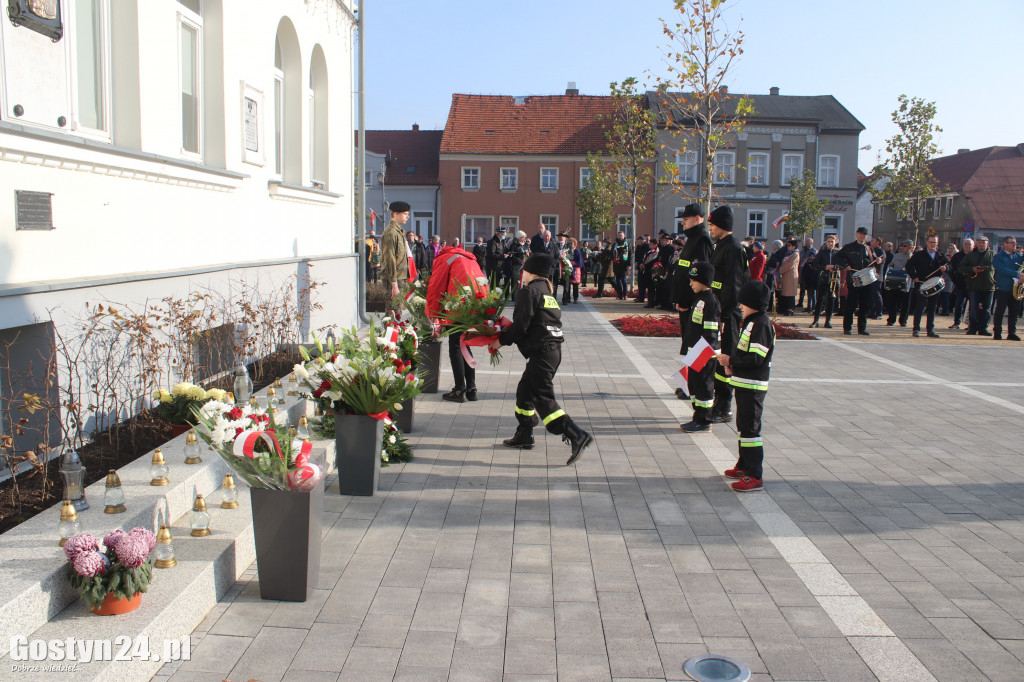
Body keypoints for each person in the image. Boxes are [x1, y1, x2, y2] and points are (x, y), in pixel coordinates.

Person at [490, 253, 593, 465]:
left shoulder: (529, 291)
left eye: (524, 270)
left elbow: (521, 326)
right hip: (551, 351)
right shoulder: (546, 291)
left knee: (542, 396)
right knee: (525, 392)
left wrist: (500, 340)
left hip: (543, 352)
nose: (521, 273)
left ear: (531, 271)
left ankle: (575, 433)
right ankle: (524, 435)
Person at [716, 280, 775, 493]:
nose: (740, 306)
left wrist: (731, 360)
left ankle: (754, 475)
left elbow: (755, 358)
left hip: (753, 386)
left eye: (744, 302)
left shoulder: (761, 324)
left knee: (750, 430)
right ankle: (743, 465)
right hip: (743, 383)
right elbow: (744, 354)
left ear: (754, 303)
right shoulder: (751, 321)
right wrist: (733, 364)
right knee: (743, 427)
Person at [425, 242, 487, 403]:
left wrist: (432, 314)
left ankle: (459, 390)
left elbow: (436, 287)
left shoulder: (445, 258)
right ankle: (472, 389)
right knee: (465, 344)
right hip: (475, 303)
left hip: (457, 303)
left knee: (455, 346)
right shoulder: (469, 258)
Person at [707, 205, 749, 423]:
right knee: (716, 358)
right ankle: (716, 400)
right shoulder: (720, 245)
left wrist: (724, 316)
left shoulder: (732, 248)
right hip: (718, 310)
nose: (710, 228)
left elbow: (733, 284)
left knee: (725, 359)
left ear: (722, 225)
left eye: (712, 224)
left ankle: (724, 407)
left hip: (727, 313)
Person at [679, 262, 720, 433]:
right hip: (695, 352)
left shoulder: (710, 301)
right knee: (694, 386)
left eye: (694, 280)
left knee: (704, 386)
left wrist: (700, 355)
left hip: (705, 354)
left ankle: (704, 420)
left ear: (704, 281)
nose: (691, 284)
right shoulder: (699, 299)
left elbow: (710, 333)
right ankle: (697, 416)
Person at [671, 204, 713, 362]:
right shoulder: (692, 239)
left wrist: (686, 300)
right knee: (689, 341)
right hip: (685, 300)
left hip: (692, 301)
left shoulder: (701, 239)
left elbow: (699, 274)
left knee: (694, 342)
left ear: (697, 219)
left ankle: (693, 382)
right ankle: (689, 382)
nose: (683, 223)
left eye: (685, 219)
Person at [837, 227, 882, 336]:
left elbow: (874, 261)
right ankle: (847, 328)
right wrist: (845, 265)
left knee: (864, 305)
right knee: (851, 304)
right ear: (857, 234)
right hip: (853, 278)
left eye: (865, 234)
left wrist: (878, 261)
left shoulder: (869, 248)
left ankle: (862, 328)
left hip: (867, 280)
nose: (863, 236)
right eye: (861, 234)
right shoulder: (849, 247)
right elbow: (837, 257)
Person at [905, 235, 948, 338]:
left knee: (932, 308)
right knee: (919, 307)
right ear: (927, 242)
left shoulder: (941, 255)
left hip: (935, 284)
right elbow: (909, 265)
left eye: (935, 242)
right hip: (922, 283)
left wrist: (946, 267)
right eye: (931, 242)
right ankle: (916, 329)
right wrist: (914, 276)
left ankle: (930, 330)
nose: (933, 244)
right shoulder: (919, 254)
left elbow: (950, 265)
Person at [959, 235, 995, 335]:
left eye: (983, 242)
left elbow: (999, 269)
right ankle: (972, 328)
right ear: (976, 244)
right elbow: (961, 267)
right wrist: (972, 269)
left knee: (987, 309)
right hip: (974, 286)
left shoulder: (993, 255)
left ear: (987, 243)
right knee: (973, 308)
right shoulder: (971, 255)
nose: (981, 244)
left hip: (989, 286)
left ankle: (983, 328)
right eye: (979, 242)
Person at [992, 236, 1024, 341]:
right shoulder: (998, 257)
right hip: (1003, 287)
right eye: (1012, 243)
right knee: (1000, 311)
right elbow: (1001, 269)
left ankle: (1012, 333)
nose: (1014, 245)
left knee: (1014, 312)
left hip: (1016, 288)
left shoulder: (1019, 256)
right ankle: (997, 332)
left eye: (1015, 243)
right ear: (1005, 244)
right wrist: (1017, 274)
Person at [380, 201, 412, 303]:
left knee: (397, 313)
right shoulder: (391, 233)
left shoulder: (398, 232)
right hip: (394, 279)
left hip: (400, 278)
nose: (408, 217)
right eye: (405, 214)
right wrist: (394, 284)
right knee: (393, 313)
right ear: (396, 213)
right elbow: (390, 259)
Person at [809, 233, 840, 328]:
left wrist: (835, 267)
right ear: (826, 242)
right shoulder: (822, 252)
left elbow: (843, 264)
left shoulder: (838, 253)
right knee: (820, 300)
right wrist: (825, 267)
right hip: (823, 278)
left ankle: (828, 321)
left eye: (832, 242)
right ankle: (816, 320)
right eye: (829, 241)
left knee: (831, 300)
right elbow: (815, 265)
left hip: (834, 279)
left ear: (835, 242)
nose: (830, 243)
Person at [885, 240, 914, 327]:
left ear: (911, 247)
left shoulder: (913, 257)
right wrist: (890, 268)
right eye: (903, 245)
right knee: (893, 302)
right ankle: (891, 319)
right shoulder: (897, 256)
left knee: (905, 303)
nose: (903, 247)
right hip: (896, 279)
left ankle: (903, 320)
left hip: (907, 282)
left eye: (905, 246)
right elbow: (891, 265)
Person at [948, 238, 972, 329]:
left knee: (971, 305)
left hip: (972, 285)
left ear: (973, 246)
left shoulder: (975, 256)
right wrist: (954, 280)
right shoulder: (957, 256)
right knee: (958, 304)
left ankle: (970, 324)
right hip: (960, 284)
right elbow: (951, 268)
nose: (967, 246)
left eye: (969, 244)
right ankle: (956, 323)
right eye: (966, 244)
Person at [777, 239, 800, 315]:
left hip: (791, 275)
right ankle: (784, 308)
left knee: (790, 292)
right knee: (785, 292)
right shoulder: (787, 254)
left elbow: (790, 265)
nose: (788, 247)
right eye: (787, 245)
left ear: (794, 246)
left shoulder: (795, 254)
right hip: (785, 275)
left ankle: (790, 309)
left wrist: (781, 270)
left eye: (789, 245)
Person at [507, 230, 530, 301]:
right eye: (523, 237)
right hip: (517, 266)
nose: (524, 238)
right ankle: (516, 297)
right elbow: (512, 255)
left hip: (525, 266)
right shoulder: (514, 245)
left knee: (524, 281)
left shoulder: (526, 245)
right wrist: (520, 261)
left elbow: (529, 252)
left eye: (525, 237)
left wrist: (528, 254)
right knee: (517, 281)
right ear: (519, 238)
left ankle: (523, 297)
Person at [798, 237, 818, 312]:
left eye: (808, 242)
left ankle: (813, 306)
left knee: (812, 292)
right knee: (806, 290)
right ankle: (808, 306)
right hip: (804, 273)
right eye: (806, 241)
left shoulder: (813, 251)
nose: (806, 243)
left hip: (813, 277)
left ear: (811, 243)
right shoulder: (803, 250)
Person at [611, 231, 632, 300]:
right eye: (619, 235)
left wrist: (629, 264)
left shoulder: (627, 244)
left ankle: (625, 294)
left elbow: (630, 255)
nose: (620, 237)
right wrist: (612, 259)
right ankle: (620, 294)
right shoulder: (615, 244)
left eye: (621, 235)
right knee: (618, 280)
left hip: (624, 264)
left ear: (624, 236)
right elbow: (612, 253)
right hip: (617, 264)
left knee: (624, 280)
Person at [635, 235, 654, 303]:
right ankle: (640, 297)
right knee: (640, 283)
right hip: (640, 266)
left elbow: (647, 257)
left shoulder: (647, 247)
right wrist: (637, 262)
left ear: (644, 240)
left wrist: (643, 263)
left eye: (641, 240)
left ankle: (643, 298)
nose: (639, 241)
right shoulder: (638, 246)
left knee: (644, 283)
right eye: (639, 240)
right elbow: (637, 255)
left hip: (645, 267)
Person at [568, 238, 584, 303]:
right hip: (568, 269)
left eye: (571, 243)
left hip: (575, 270)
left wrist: (571, 262)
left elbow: (579, 262)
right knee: (567, 285)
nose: (570, 245)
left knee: (575, 285)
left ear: (574, 244)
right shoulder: (567, 251)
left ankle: (575, 298)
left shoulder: (577, 251)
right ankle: (567, 298)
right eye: (569, 243)